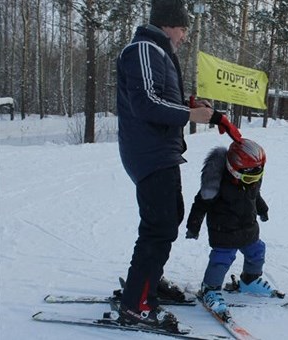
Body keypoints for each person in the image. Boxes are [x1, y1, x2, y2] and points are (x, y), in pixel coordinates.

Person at [115, 0, 241, 331]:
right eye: (184, 28)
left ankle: (147, 282)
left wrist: (195, 108)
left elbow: (160, 99)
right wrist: (189, 114)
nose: (185, 36)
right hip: (149, 152)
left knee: (169, 219)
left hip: (162, 151)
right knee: (158, 226)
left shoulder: (158, 53)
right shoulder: (143, 48)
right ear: (169, 24)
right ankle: (137, 305)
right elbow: (145, 102)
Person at [186, 139, 271, 314]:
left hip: (249, 228)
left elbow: (255, 196)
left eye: (258, 176)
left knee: (257, 252)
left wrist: (263, 210)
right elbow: (200, 204)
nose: (253, 181)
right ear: (234, 170)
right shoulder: (217, 184)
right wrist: (193, 226)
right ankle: (210, 288)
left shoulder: (251, 180)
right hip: (224, 232)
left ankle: (250, 281)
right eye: (249, 177)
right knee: (221, 261)